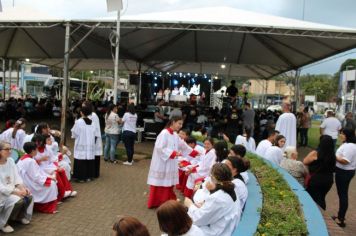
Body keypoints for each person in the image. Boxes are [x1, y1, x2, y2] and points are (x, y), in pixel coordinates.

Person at [147, 116, 199, 208]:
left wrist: (194, 152)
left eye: (181, 124)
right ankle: (158, 202)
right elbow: (159, 148)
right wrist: (173, 153)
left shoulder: (175, 135)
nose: (180, 126)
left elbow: (183, 146)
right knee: (160, 183)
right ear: (173, 122)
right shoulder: (164, 133)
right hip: (162, 163)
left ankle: (167, 200)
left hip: (170, 162)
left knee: (168, 183)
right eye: (179, 123)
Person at [184, 163, 241, 236]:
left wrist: (190, 205)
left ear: (213, 178)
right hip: (223, 227)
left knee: (183, 226)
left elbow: (198, 219)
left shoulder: (218, 198)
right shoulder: (231, 189)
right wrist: (204, 204)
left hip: (215, 232)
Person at [0, 141, 33, 233]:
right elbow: (1, 187)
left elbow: (16, 177)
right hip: (2, 193)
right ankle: (3, 223)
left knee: (28, 196)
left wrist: (22, 188)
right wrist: (16, 192)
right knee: (18, 200)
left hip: (11, 190)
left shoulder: (10, 161)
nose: (10, 151)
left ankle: (18, 217)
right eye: (7, 149)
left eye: (10, 148)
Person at [17, 142, 58, 214]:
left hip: (25, 181)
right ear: (32, 151)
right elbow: (36, 177)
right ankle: (47, 207)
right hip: (30, 183)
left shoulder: (22, 159)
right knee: (52, 184)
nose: (37, 151)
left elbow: (36, 173)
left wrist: (48, 177)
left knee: (51, 181)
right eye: (36, 149)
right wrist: (49, 179)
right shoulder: (30, 161)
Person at [303, 135, 336, 210]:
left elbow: (305, 161)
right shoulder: (333, 155)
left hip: (316, 179)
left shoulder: (315, 153)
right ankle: (322, 212)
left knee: (312, 197)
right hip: (328, 179)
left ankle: (313, 213)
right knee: (321, 197)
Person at [332, 128, 356, 227]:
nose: (340, 135)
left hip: (344, 172)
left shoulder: (350, 146)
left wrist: (333, 156)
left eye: (341, 133)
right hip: (343, 171)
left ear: (346, 135)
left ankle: (341, 218)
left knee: (343, 194)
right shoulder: (347, 144)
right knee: (342, 193)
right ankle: (340, 216)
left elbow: (345, 161)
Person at [71, 105, 98, 182]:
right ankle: (89, 176)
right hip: (90, 144)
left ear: (81, 113)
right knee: (88, 158)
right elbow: (94, 133)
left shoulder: (79, 122)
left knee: (80, 159)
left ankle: (81, 178)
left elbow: (74, 133)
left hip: (81, 143)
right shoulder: (92, 122)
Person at [84, 101, 103, 179]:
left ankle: (95, 173)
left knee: (95, 156)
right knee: (92, 156)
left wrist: (93, 139)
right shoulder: (88, 115)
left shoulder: (93, 115)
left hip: (94, 138)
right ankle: (91, 172)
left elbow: (95, 128)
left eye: (84, 106)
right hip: (90, 138)